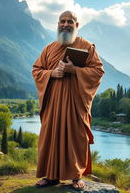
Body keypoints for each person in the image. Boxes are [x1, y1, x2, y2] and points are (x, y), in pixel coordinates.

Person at [32, 11, 104, 190]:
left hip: (75, 103)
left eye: (69, 21)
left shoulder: (86, 46)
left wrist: (75, 70)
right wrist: (51, 74)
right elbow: (36, 70)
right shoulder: (49, 48)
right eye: (62, 21)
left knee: (75, 137)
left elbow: (97, 72)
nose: (65, 24)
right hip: (53, 103)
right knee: (50, 136)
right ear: (57, 24)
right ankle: (51, 176)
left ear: (77, 25)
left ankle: (75, 176)